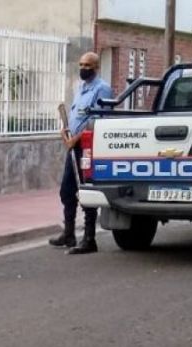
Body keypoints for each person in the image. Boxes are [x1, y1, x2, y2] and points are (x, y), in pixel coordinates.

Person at [49, 51, 113, 255]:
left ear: (96, 68)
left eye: (88, 66)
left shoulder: (102, 89)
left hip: (87, 147)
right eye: (81, 64)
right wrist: (66, 133)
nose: (83, 68)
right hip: (73, 145)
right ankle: (69, 234)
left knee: (86, 192)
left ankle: (89, 238)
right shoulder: (81, 89)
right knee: (67, 191)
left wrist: (76, 139)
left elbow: (98, 121)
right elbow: (78, 117)